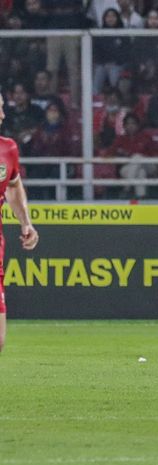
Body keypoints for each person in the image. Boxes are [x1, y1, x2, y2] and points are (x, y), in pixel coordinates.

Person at [0, 92, 40, 353]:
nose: (3, 115)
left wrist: (26, 222)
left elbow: (13, 186)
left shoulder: (7, 149)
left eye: (2, 108)